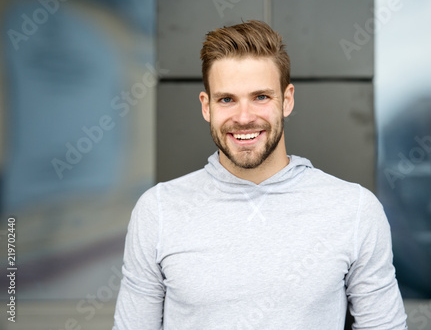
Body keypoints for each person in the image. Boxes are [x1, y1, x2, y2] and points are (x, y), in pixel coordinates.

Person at [113, 20, 408, 329]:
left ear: (287, 100)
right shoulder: (157, 210)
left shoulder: (355, 208)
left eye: (261, 97)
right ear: (206, 106)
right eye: (227, 99)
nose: (244, 117)